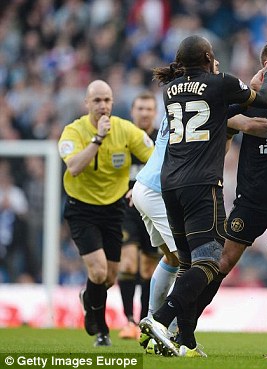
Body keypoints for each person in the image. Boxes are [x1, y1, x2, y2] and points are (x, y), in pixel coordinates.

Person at [139, 35, 267, 358]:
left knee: (187, 263)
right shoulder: (220, 83)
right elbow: (266, 99)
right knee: (209, 262)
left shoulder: (169, 91)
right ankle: (160, 319)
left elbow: (219, 110)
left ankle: (184, 340)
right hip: (201, 185)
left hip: (169, 185)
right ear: (207, 57)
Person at [191, 39, 267, 358]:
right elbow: (227, 120)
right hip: (252, 197)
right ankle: (185, 327)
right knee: (223, 260)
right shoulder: (249, 97)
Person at [58, 80, 154, 346]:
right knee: (99, 272)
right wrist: (97, 138)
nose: (103, 106)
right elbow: (74, 167)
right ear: (87, 104)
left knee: (110, 277)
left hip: (114, 210)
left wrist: (141, 186)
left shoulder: (125, 130)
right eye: (97, 101)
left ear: (113, 103)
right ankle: (101, 329)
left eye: (107, 100)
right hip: (82, 209)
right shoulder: (73, 131)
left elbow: (156, 159)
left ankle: (88, 298)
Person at [117, 91, 161, 340]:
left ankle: (144, 321)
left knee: (147, 269)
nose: (144, 113)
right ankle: (128, 320)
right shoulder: (123, 139)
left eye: (148, 109)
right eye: (140, 109)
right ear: (133, 112)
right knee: (128, 263)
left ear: (154, 113)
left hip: (152, 210)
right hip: (126, 211)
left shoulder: (161, 140)